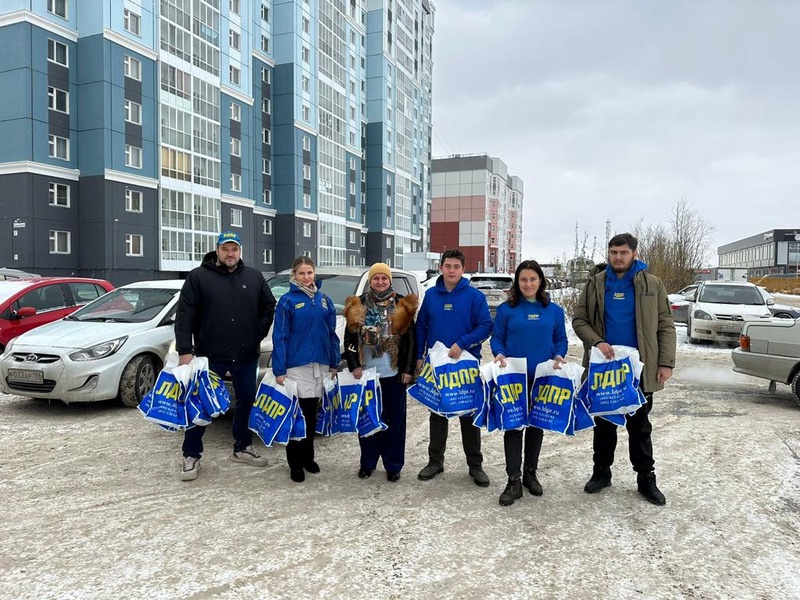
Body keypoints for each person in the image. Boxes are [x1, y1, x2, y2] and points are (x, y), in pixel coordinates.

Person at [572, 232, 677, 505]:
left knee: (640, 426)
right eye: (614, 252)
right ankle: (601, 473)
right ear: (609, 254)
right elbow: (579, 320)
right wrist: (596, 341)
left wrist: (665, 362)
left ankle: (646, 479)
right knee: (604, 425)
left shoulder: (652, 284)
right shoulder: (595, 284)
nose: (618, 257)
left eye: (624, 253)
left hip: (639, 370)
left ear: (634, 254)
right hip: (604, 369)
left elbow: (666, 326)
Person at [175, 231, 277, 481]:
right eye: (225, 249)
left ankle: (242, 447)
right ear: (217, 250)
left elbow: (268, 306)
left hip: (245, 354)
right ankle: (191, 455)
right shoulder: (198, 277)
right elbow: (185, 314)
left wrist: (258, 332)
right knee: (201, 405)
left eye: (234, 249)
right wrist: (184, 350)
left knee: (245, 401)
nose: (230, 254)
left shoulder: (254, 277)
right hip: (210, 355)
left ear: (240, 251)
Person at [491, 260, 568, 506]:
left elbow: (561, 340)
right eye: (523, 279)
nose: (528, 284)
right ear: (517, 282)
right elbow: (497, 338)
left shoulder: (554, 311)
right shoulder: (506, 310)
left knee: (536, 425)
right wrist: (499, 353)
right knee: (513, 426)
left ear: (540, 281)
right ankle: (513, 479)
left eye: (532, 279)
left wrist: (558, 355)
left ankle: (530, 474)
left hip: (543, 376)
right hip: (514, 376)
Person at [415, 249, 493, 487]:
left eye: (456, 267)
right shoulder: (431, 296)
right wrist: (419, 355)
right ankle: (435, 462)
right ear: (441, 267)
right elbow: (421, 327)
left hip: (465, 363)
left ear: (463, 269)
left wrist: (462, 343)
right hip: (437, 365)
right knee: (438, 413)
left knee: (469, 415)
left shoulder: (474, 297)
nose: (451, 271)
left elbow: (486, 326)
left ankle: (475, 465)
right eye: (447, 266)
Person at [343, 263, 418, 482]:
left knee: (394, 421)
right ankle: (367, 462)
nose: (380, 282)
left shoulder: (402, 304)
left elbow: (411, 340)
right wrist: (354, 364)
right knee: (367, 419)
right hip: (366, 375)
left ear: (389, 280)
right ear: (370, 281)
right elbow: (350, 339)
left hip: (393, 374)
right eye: (376, 278)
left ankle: (393, 465)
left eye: (384, 278)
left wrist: (407, 369)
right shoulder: (357, 305)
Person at [272, 256, 340, 483]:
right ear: (294, 275)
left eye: (309, 272)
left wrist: (333, 362)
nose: (306, 277)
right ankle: (295, 463)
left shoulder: (324, 301)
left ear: (314, 274)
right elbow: (280, 336)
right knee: (296, 415)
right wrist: (279, 369)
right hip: (296, 367)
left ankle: (308, 456)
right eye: (301, 273)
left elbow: (331, 334)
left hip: (319, 366)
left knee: (311, 414)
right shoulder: (287, 301)